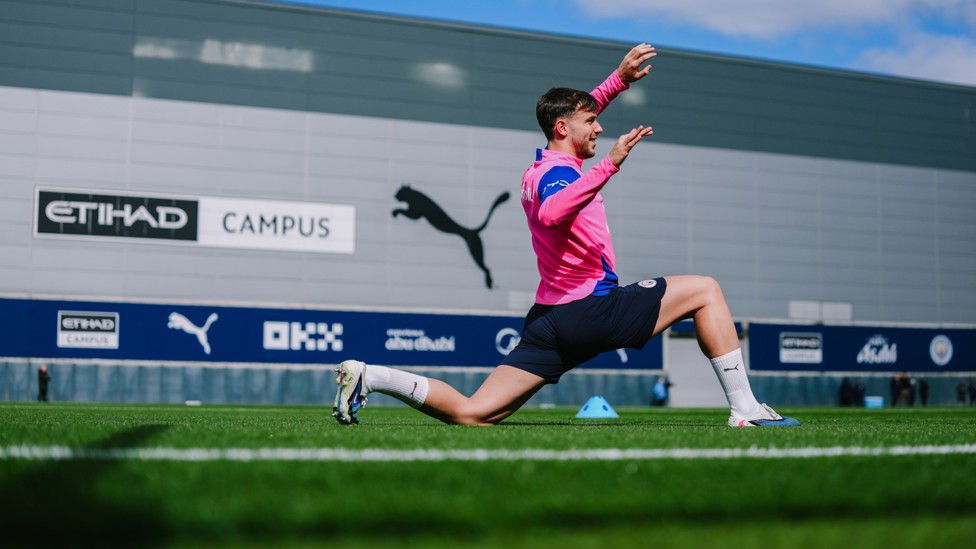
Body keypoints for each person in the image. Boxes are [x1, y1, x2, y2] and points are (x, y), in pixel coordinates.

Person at [332, 43, 799, 428]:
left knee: (474, 413)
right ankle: (745, 408)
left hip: (549, 319)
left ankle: (370, 377)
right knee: (706, 291)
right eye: (591, 122)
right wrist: (610, 164)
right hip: (590, 310)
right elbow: (555, 212)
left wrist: (617, 81)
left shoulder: (543, 166)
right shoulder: (560, 175)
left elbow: (574, 120)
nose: (600, 126)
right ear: (562, 128)